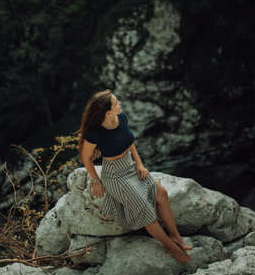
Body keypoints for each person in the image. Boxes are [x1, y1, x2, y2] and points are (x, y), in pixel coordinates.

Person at [78, 89, 193, 263]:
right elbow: (85, 158)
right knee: (146, 212)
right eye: (116, 103)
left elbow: (129, 141)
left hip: (130, 166)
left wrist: (139, 163)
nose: (120, 104)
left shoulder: (121, 118)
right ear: (107, 111)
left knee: (161, 194)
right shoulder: (95, 132)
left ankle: (175, 236)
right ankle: (171, 249)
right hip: (115, 176)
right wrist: (95, 179)